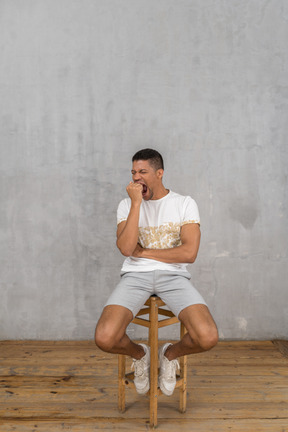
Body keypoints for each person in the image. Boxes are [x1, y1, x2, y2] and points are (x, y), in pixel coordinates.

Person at [95, 148, 218, 396]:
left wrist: (145, 252)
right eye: (133, 172)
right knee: (105, 337)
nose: (136, 177)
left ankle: (168, 355)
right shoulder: (126, 205)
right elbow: (126, 248)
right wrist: (136, 203)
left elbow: (189, 254)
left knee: (207, 336)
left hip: (174, 277)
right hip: (135, 276)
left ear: (159, 173)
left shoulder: (184, 203)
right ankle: (141, 355)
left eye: (143, 172)